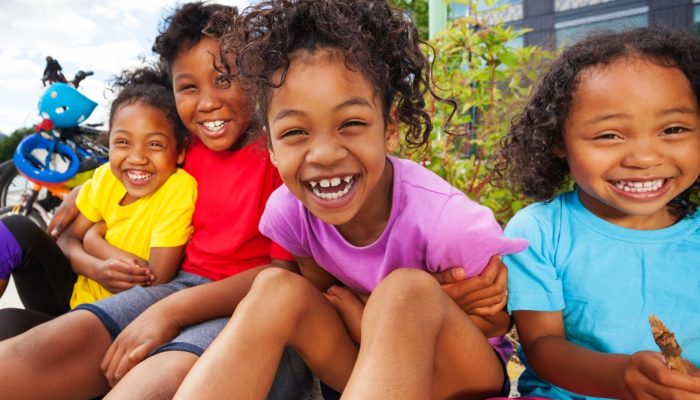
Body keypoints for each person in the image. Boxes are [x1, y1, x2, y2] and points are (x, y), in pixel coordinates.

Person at [175, 1, 527, 399]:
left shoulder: (449, 223)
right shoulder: (290, 213)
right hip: (366, 370)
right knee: (276, 287)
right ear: (270, 146)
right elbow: (325, 296)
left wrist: (398, 311)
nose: (324, 153)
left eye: (352, 124)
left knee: (406, 293)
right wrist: (366, 317)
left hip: (459, 382)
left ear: (389, 129)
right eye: (295, 132)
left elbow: (498, 324)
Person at [0, 3, 313, 399]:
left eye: (224, 79)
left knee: (151, 384)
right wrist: (86, 191)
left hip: (252, 309)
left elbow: (282, 277)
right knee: (34, 353)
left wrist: (172, 312)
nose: (207, 102)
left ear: (256, 76)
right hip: (171, 290)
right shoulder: (181, 151)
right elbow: (122, 181)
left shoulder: (277, 156)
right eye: (188, 87)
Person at [495, 27, 700, 399]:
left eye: (672, 129)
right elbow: (541, 345)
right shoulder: (539, 231)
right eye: (609, 135)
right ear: (558, 140)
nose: (644, 158)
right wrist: (625, 377)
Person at [0, 64, 195, 319]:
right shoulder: (107, 178)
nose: (137, 157)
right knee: (12, 229)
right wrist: (96, 269)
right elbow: (66, 241)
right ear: (109, 142)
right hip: (73, 299)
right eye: (123, 142)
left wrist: (93, 240)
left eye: (155, 144)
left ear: (179, 152)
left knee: (7, 325)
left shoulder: (177, 188)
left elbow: (154, 278)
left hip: (111, 320)